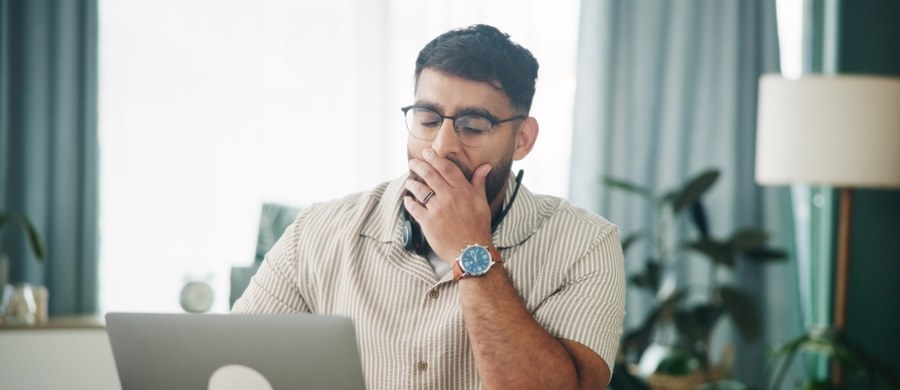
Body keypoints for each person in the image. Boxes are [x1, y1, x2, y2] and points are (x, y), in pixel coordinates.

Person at [233, 24, 625, 389]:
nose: (442, 146)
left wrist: (471, 250)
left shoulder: (586, 244)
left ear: (522, 138)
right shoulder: (316, 231)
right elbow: (235, 367)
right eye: (427, 118)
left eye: (473, 125)